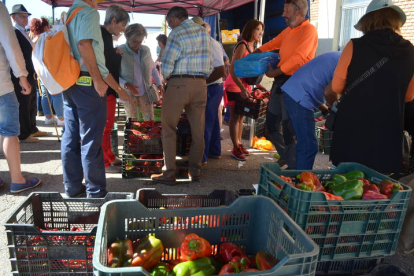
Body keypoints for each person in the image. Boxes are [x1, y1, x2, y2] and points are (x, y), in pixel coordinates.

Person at [328, 0, 414, 174]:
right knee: (379, 185)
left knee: (348, 179)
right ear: (396, 21)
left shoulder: (354, 45)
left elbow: (337, 86)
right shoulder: (410, 50)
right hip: (388, 128)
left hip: (353, 125)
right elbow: (409, 97)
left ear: (368, 21)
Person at [63, 0, 125, 198]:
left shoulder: (71, 12)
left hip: (70, 80)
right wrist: (98, 80)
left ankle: (73, 187)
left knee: (71, 136)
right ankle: (95, 192)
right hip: (87, 81)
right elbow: (84, 44)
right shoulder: (89, 13)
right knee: (91, 138)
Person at [151, 6, 213, 184]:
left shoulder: (177, 33)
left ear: (173, 20)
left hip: (179, 83)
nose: (170, 27)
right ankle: (195, 172)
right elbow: (210, 63)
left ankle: (169, 173)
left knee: (169, 129)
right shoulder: (203, 33)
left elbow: (168, 62)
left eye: (169, 23)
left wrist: (166, 79)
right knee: (198, 131)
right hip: (201, 84)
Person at [255, 0, 318, 168]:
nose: (283, 14)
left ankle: (293, 164)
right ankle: (287, 155)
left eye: (286, 10)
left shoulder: (309, 30)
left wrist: (276, 71)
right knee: (271, 123)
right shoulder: (289, 30)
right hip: (280, 82)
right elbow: (273, 43)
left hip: (296, 84)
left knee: (289, 127)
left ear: (298, 11)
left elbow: (298, 57)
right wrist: (256, 52)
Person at [0, 2, 41, 193]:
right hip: (2, 84)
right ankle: (17, 179)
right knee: (9, 131)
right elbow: (10, 44)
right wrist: (22, 76)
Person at [281, 52, 341, 170]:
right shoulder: (347, 62)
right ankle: (301, 181)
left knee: (304, 142)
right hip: (299, 95)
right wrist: (336, 107)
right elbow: (329, 91)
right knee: (308, 145)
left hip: (295, 92)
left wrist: (324, 109)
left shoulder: (340, 56)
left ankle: (296, 174)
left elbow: (317, 81)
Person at [224, 19, 264, 161]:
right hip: (234, 85)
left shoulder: (252, 47)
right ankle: (235, 148)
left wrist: (257, 86)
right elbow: (233, 69)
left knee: (241, 117)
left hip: (243, 86)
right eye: (258, 29)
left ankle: (239, 144)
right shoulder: (243, 45)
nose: (260, 33)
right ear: (251, 30)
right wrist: (241, 88)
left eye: (261, 30)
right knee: (235, 118)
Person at [10, 4, 48, 143]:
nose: (25, 19)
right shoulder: (14, 32)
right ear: (14, 17)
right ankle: (24, 134)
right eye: (22, 16)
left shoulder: (24, 32)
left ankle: (32, 128)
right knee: (24, 103)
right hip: (21, 74)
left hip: (30, 72)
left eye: (26, 16)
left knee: (31, 102)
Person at [100, 5, 130, 174]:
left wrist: (114, 53)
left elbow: (106, 59)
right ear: (113, 21)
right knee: (104, 127)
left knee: (109, 126)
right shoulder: (102, 35)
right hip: (105, 89)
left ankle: (109, 156)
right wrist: (120, 89)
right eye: (122, 25)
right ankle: (104, 162)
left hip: (108, 90)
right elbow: (103, 67)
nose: (123, 29)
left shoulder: (106, 36)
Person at [191, 17, 226, 165]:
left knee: (204, 122)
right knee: (212, 122)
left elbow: (220, 71)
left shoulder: (212, 44)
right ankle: (214, 151)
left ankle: (201, 157)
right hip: (211, 86)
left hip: (212, 87)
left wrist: (200, 83)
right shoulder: (204, 43)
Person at [118, 23, 164, 120]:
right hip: (128, 93)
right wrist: (125, 83)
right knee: (132, 121)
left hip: (146, 92)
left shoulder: (146, 50)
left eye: (140, 42)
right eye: (135, 41)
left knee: (149, 120)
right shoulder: (119, 51)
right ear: (127, 38)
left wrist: (159, 83)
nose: (138, 45)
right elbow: (112, 74)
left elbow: (153, 69)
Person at [30, 17, 65, 127]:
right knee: (56, 94)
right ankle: (61, 118)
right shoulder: (48, 38)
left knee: (45, 94)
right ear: (45, 26)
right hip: (51, 69)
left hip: (40, 70)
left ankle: (48, 117)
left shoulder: (34, 40)